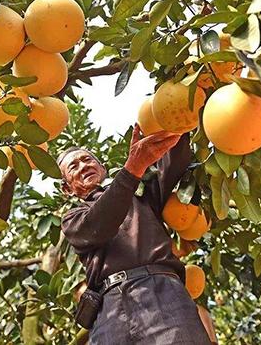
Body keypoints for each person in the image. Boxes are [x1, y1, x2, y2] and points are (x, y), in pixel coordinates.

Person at [59, 124, 212, 344]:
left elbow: (173, 162)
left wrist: (179, 121)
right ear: (67, 189)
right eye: (73, 166)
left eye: (87, 160)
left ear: (102, 168)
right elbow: (100, 225)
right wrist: (132, 168)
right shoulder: (73, 219)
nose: (83, 166)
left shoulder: (142, 194)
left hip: (163, 293)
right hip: (109, 309)